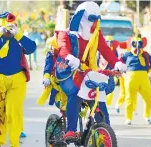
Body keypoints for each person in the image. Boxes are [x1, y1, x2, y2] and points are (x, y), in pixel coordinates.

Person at [54, 1, 127, 141]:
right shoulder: (66, 34)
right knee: (75, 92)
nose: (94, 23)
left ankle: (104, 132)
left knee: (100, 98)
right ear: (81, 18)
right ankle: (71, 130)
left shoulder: (96, 35)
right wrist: (70, 57)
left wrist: (117, 63)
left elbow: (106, 51)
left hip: (87, 72)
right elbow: (62, 49)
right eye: (92, 19)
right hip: (67, 72)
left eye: (97, 19)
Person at [0, 12, 36, 147]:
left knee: (13, 112)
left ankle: (15, 143)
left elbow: (32, 48)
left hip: (17, 80)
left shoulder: (19, 38)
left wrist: (18, 34)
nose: (8, 29)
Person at [121, 36, 151, 125]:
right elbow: (119, 62)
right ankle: (128, 118)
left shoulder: (145, 54)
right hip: (131, 77)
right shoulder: (127, 54)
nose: (137, 45)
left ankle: (147, 116)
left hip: (144, 78)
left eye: (139, 43)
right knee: (129, 99)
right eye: (135, 43)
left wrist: (149, 70)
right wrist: (123, 73)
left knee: (149, 98)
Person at [97, 35, 119, 106]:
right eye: (107, 42)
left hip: (110, 71)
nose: (109, 43)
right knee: (101, 86)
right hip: (102, 70)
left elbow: (116, 60)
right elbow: (97, 60)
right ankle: (100, 101)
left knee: (110, 87)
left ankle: (107, 103)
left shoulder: (114, 50)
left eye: (111, 42)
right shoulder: (100, 50)